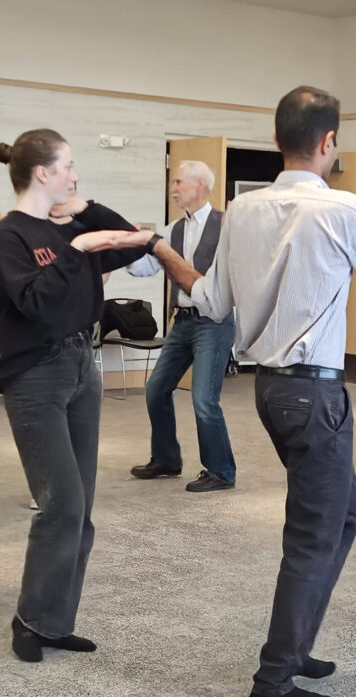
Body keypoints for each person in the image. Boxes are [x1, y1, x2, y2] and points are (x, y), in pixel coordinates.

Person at [160, 86, 356, 697]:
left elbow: (211, 302)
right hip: (313, 392)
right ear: (328, 142)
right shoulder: (345, 208)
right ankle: (273, 680)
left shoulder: (241, 210)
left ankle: (298, 643)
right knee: (314, 532)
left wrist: (162, 251)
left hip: (269, 388)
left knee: (343, 513)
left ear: (277, 139)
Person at [0, 129, 167, 663]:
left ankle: (54, 621)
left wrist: (85, 212)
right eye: (68, 167)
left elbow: (135, 239)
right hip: (34, 373)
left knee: (80, 505)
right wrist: (78, 249)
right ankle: (30, 619)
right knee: (60, 502)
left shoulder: (71, 224)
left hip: (83, 365)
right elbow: (36, 301)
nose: (75, 176)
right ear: (43, 173)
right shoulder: (9, 238)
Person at [127, 161, 237, 492]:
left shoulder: (226, 225)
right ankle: (166, 460)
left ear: (200, 185)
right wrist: (132, 244)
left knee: (204, 400)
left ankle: (220, 472)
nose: (173, 188)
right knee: (155, 389)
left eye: (178, 182)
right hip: (182, 321)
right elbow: (146, 268)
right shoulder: (173, 229)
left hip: (213, 323)